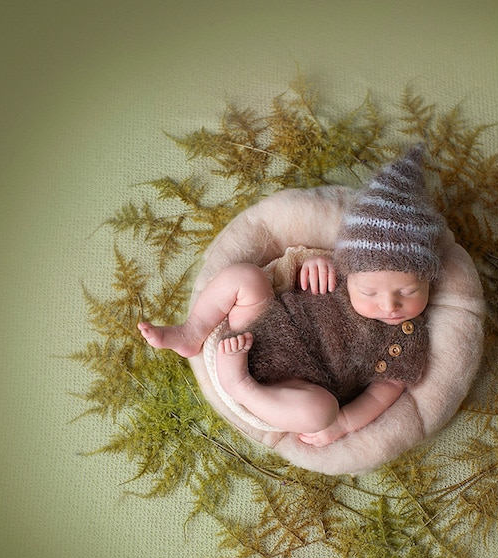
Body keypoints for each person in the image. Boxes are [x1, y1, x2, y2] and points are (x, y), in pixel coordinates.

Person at [138, 145, 444, 446]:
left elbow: (385, 389)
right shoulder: (339, 269)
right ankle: (192, 331)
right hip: (262, 321)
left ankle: (241, 386)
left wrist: (344, 422)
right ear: (350, 273)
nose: (390, 305)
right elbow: (291, 270)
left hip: (292, 389)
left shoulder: (406, 337)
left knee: (321, 412)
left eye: (408, 291)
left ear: (429, 279)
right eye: (369, 292)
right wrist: (313, 262)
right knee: (246, 277)